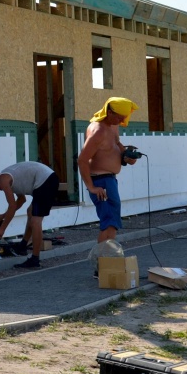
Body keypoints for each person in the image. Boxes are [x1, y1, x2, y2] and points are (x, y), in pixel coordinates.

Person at [78, 97, 140, 265]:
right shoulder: (98, 131)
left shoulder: (113, 126)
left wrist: (126, 155)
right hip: (101, 182)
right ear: (110, 112)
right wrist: (91, 187)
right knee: (109, 223)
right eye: (119, 117)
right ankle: (102, 265)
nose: (121, 121)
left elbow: (116, 144)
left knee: (112, 222)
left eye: (123, 118)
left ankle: (108, 263)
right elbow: (82, 160)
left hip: (109, 180)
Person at [0, 161, 60, 268]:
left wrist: (2, 229)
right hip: (46, 179)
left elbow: (12, 206)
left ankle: (35, 260)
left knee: (35, 221)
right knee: (30, 212)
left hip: (46, 180)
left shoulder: (3, 179)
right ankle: (23, 246)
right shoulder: (10, 178)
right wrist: (4, 215)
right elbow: (21, 200)